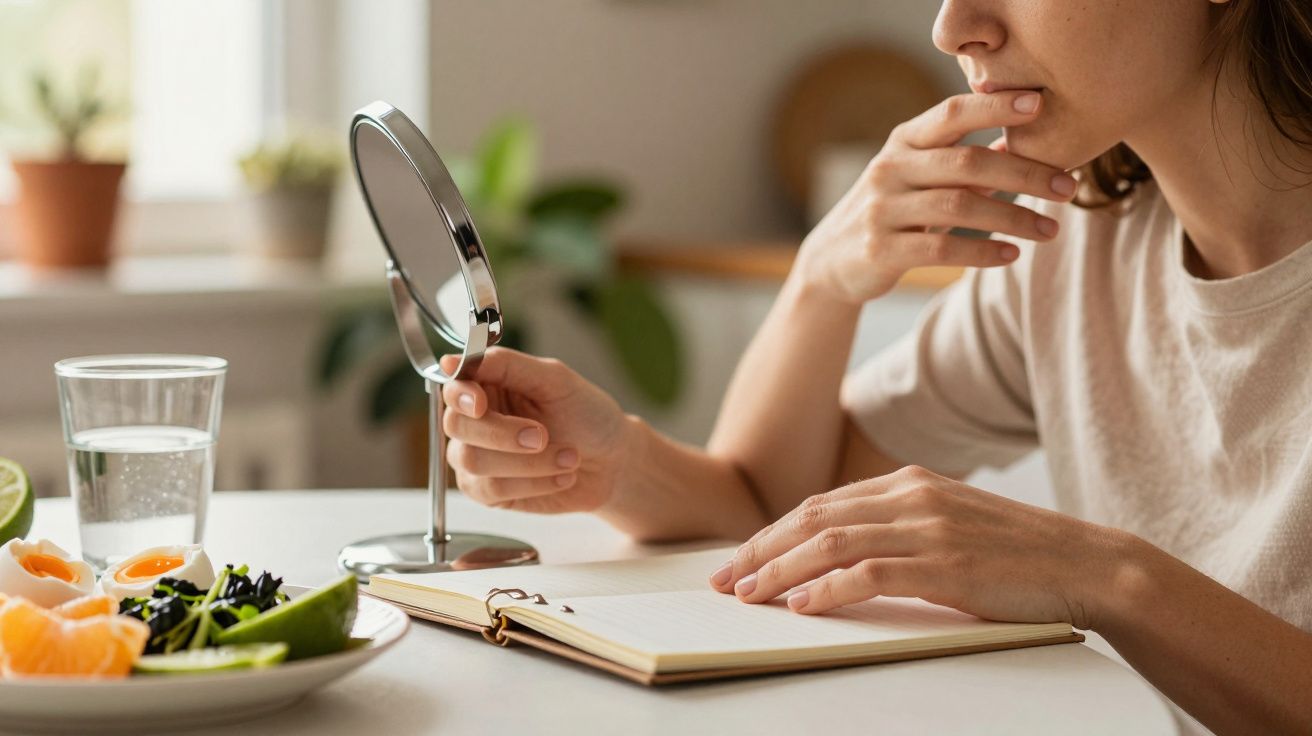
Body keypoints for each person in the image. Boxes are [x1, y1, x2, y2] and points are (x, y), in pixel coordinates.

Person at [438, 1, 1312, 732]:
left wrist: (1107, 579)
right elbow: (779, 510)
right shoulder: (1075, 250)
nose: (951, 25)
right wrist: (623, 456)